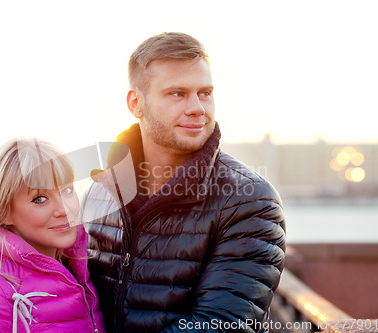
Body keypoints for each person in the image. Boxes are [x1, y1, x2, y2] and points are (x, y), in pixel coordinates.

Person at [80, 32, 286, 332]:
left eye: (205, 93)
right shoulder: (99, 192)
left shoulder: (250, 199)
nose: (197, 108)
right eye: (177, 93)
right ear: (136, 103)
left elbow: (223, 325)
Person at [0, 138, 105, 333]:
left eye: (67, 190)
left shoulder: (80, 272)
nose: (63, 209)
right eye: (40, 199)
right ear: (4, 212)